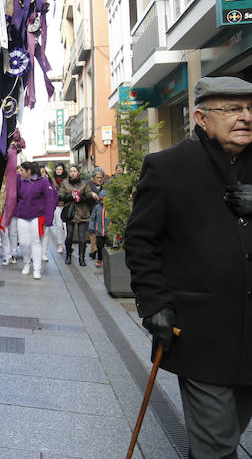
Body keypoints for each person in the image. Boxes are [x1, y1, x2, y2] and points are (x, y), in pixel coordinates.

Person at [125, 76, 252, 458]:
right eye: (232, 109)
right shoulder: (168, 167)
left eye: (250, 108)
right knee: (215, 443)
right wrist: (154, 304)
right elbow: (140, 241)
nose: (245, 117)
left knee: (228, 431)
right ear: (200, 117)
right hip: (201, 332)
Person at [12, 161, 57, 279]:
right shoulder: (19, 180)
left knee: (36, 242)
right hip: (22, 215)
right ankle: (27, 263)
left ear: (29, 171)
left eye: (22, 170)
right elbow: (14, 195)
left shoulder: (43, 181)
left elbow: (50, 199)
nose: (19, 172)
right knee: (23, 242)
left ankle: (37, 269)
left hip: (37, 216)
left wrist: (49, 218)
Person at [58, 166, 96, 265]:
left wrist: (80, 197)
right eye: (71, 171)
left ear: (78, 172)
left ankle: (82, 258)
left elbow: (89, 197)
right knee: (69, 236)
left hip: (83, 212)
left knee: (82, 237)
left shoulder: (84, 183)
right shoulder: (65, 183)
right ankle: (68, 255)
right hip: (70, 212)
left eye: (74, 171)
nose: (72, 173)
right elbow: (60, 196)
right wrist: (71, 196)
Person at [88, 191, 110, 268]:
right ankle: (99, 259)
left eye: (104, 199)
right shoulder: (97, 208)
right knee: (99, 246)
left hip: (108, 232)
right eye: (101, 199)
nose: (102, 201)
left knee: (108, 247)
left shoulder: (110, 208)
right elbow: (92, 218)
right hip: (99, 232)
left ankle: (107, 260)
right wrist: (91, 227)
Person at [52, 163, 68, 254]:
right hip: (57, 205)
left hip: (66, 204)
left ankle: (67, 243)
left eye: (60, 169)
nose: (58, 171)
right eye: (57, 169)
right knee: (58, 225)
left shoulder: (67, 180)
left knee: (66, 226)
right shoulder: (53, 180)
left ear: (63, 170)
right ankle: (60, 245)